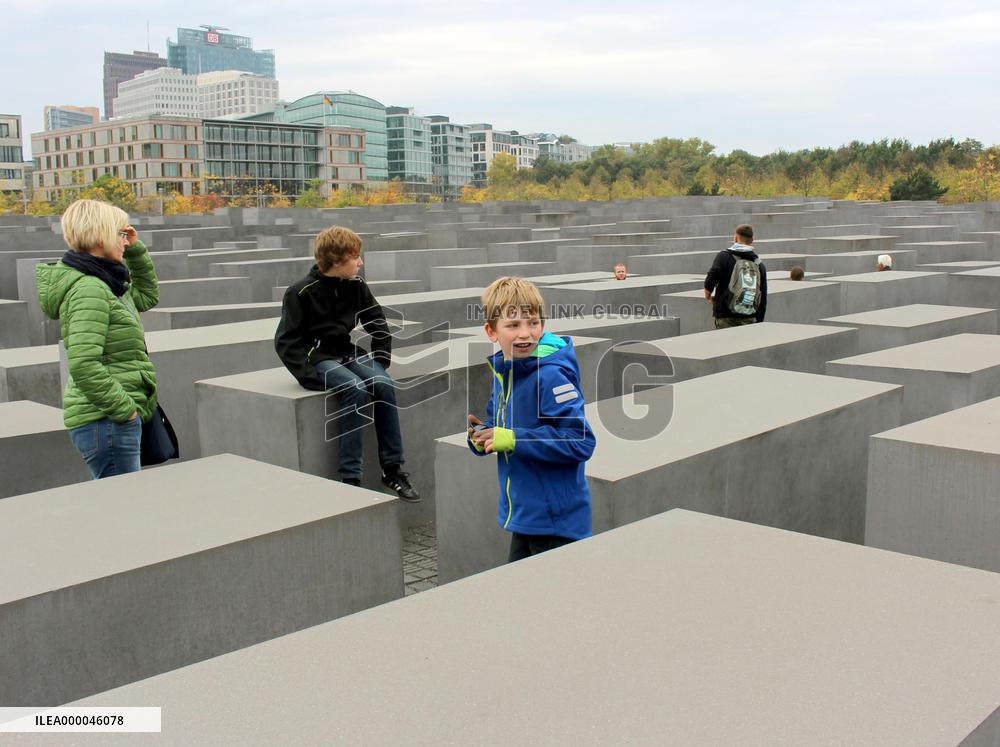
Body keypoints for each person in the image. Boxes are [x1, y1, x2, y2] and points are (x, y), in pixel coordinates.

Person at [274, 225, 419, 502]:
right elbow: (286, 341)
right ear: (336, 261)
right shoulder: (300, 292)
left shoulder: (356, 285)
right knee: (355, 388)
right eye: (356, 257)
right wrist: (308, 375)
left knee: (383, 384)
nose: (361, 262)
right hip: (318, 358)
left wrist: (380, 359)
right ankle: (350, 477)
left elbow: (376, 320)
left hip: (347, 352)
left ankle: (392, 469)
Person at [467, 276, 596, 562]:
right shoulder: (506, 371)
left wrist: (512, 439)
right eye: (513, 326)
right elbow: (502, 426)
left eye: (533, 323)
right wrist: (484, 436)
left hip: (555, 523)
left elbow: (580, 441)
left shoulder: (550, 376)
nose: (525, 334)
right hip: (526, 516)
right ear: (491, 331)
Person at [37, 199, 159, 479]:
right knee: (122, 510)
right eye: (120, 235)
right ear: (101, 235)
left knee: (120, 505)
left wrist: (137, 251)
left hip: (109, 419)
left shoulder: (106, 281)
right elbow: (82, 364)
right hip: (106, 420)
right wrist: (125, 410)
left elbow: (147, 297)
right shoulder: (90, 288)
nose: (124, 242)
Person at [704, 224, 767, 329]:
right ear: (752, 240)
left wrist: (708, 295)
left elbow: (711, 278)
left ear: (736, 237)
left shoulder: (724, 256)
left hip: (725, 315)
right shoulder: (759, 264)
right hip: (749, 316)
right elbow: (763, 297)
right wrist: (759, 321)